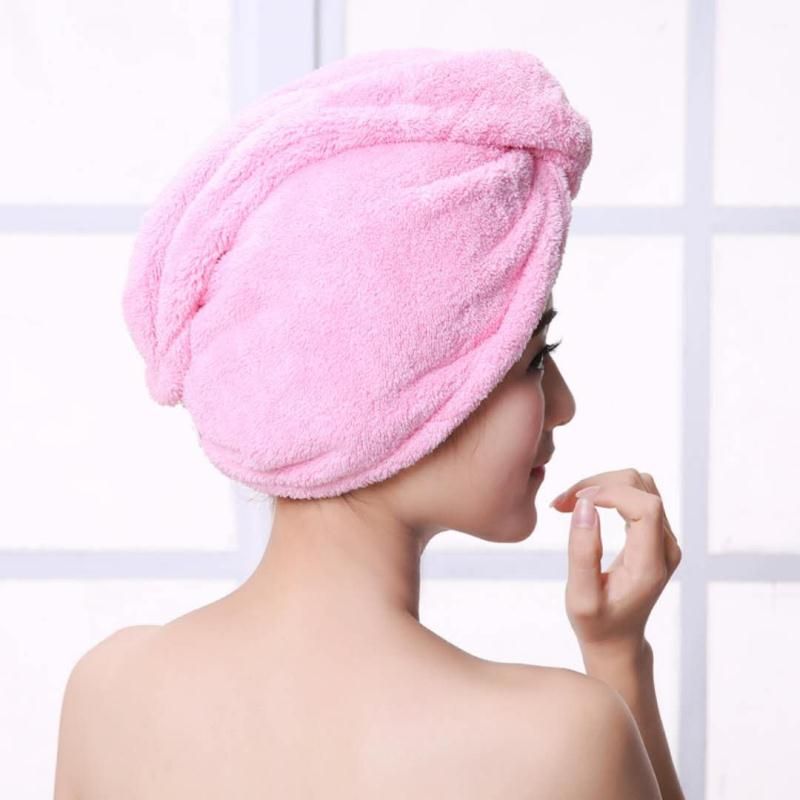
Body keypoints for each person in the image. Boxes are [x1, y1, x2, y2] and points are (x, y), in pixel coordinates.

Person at [54, 48, 685, 798]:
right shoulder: (563, 735)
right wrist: (619, 660)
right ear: (404, 387)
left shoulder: (107, 689)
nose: (565, 404)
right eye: (532, 360)